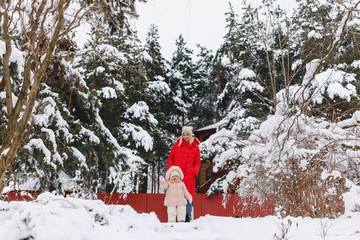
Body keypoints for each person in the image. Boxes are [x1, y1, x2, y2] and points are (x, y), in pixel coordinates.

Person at [167, 126, 201, 222]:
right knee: (175, 194)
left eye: (187, 134)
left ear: (190, 135)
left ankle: (187, 216)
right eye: (183, 134)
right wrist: (171, 170)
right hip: (176, 175)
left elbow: (197, 162)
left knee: (188, 195)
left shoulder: (195, 148)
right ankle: (173, 218)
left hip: (189, 175)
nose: (185, 136)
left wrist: (194, 171)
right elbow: (170, 159)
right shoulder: (176, 146)